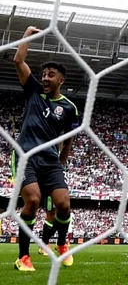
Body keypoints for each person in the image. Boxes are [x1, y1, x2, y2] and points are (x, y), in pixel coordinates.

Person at [12, 26, 80, 271]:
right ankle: (23, 256)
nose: (45, 78)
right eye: (44, 74)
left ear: (61, 80)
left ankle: (62, 244)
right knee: (33, 200)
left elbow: (69, 137)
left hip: (50, 160)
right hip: (26, 155)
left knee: (63, 204)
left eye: (51, 75)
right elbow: (19, 59)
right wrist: (28, 33)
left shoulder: (70, 108)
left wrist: (61, 160)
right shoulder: (33, 92)